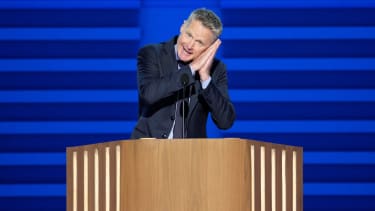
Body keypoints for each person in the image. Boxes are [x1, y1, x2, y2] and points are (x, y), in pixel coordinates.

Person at [131, 8, 235, 139]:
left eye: (199, 42)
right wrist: (191, 68)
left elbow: (225, 122)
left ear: (210, 48)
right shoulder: (152, 53)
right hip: (149, 150)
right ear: (182, 26)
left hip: (192, 155)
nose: (190, 45)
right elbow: (149, 94)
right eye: (189, 35)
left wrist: (206, 79)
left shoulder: (217, 69)